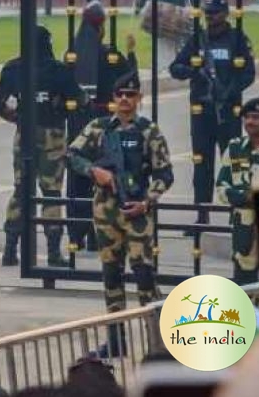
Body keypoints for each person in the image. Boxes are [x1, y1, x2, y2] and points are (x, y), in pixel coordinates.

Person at [67, 64, 173, 356]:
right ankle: (116, 341)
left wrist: (147, 201)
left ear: (139, 98)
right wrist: (94, 172)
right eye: (120, 94)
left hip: (137, 212)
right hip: (106, 211)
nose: (125, 99)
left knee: (144, 276)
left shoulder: (148, 131)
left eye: (131, 94)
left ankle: (158, 344)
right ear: (113, 97)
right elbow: (72, 155)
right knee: (111, 275)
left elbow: (165, 174)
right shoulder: (99, 128)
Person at [0, 25, 79, 267]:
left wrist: (15, 117)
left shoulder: (14, 68)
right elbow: (78, 100)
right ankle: (53, 251)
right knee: (51, 192)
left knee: (21, 190)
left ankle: (10, 248)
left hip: (25, 134)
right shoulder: (59, 71)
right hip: (53, 134)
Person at [169, 0, 256, 210]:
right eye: (207, 13)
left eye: (215, 13)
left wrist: (230, 92)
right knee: (202, 164)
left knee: (233, 164)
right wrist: (194, 71)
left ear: (225, 14)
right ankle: (202, 212)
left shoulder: (237, 39)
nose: (210, 17)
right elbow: (175, 68)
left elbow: (249, 72)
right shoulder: (198, 39)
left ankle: (236, 213)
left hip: (228, 112)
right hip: (202, 113)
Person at [66, 0, 123, 249]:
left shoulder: (73, 52)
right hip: (102, 123)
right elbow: (127, 80)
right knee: (100, 176)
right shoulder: (110, 54)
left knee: (79, 176)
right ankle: (95, 234)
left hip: (79, 123)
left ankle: (76, 234)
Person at [215, 97, 259, 284]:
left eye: (256, 117)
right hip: (244, 227)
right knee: (244, 285)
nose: (250, 122)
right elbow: (222, 187)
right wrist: (244, 196)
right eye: (247, 117)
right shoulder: (235, 148)